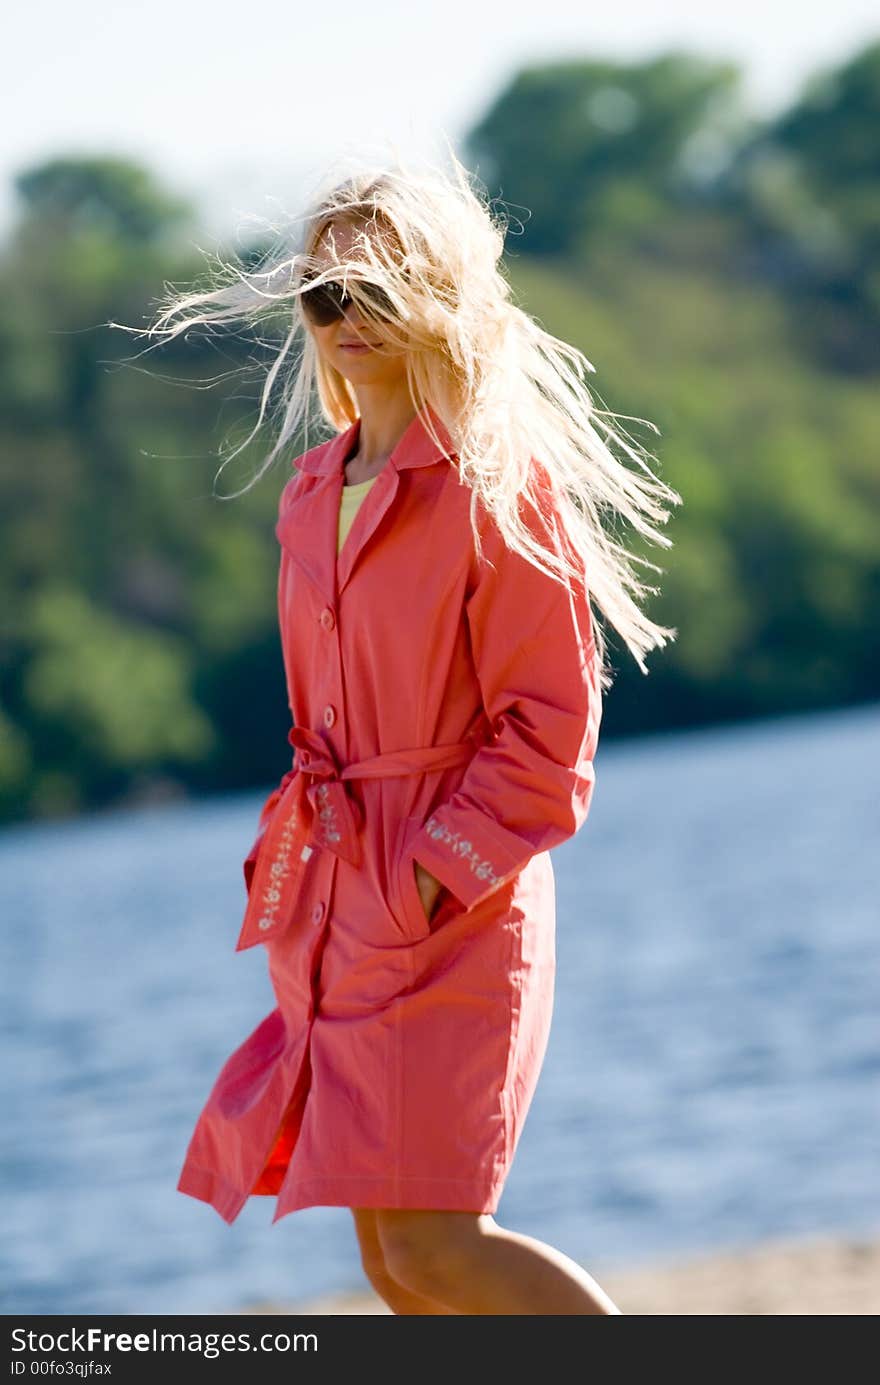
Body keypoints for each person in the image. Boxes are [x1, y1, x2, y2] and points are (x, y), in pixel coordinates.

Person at [123, 150, 680, 1315]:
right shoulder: (310, 489)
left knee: (442, 1242)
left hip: (453, 911)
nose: (349, 318)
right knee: (390, 1261)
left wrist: (426, 884)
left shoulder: (495, 483)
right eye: (326, 295)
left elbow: (548, 739)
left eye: (380, 288)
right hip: (333, 905)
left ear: (442, 296)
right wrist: (335, 887)